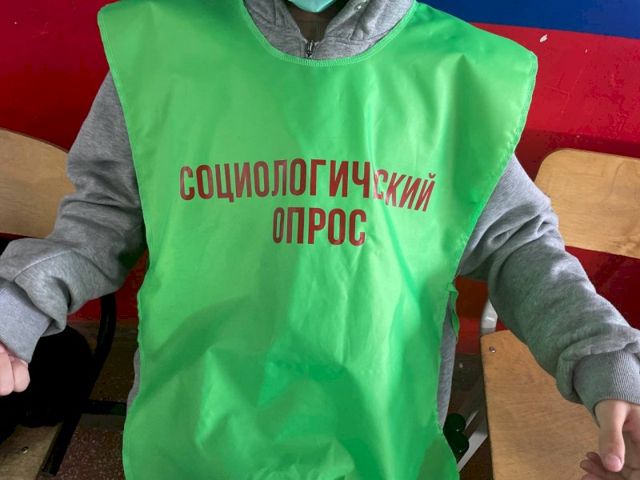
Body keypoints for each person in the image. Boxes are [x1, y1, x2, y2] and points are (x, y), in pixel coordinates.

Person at [0, 0, 639, 478]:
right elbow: (104, 216)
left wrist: (607, 360)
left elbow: (517, 245)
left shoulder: (460, 75)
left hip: (377, 443)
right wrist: (15, 309)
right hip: (194, 433)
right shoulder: (162, 48)